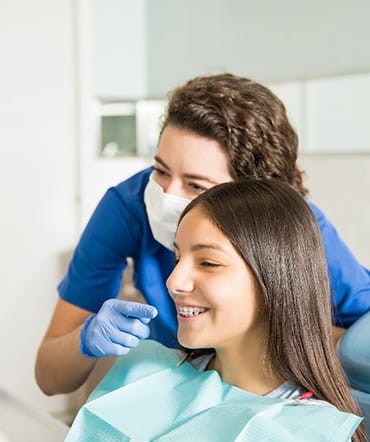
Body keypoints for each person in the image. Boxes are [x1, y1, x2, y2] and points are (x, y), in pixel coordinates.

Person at [31, 179, 367, 442]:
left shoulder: (311, 438)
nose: (174, 281)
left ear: (274, 281)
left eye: (208, 262)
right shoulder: (146, 373)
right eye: (177, 258)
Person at [35, 73, 370, 396]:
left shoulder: (297, 229)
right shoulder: (129, 206)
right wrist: (86, 340)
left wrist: (288, 329)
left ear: (254, 200)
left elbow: (360, 340)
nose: (167, 195)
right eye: (161, 170)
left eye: (196, 185)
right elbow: (50, 378)